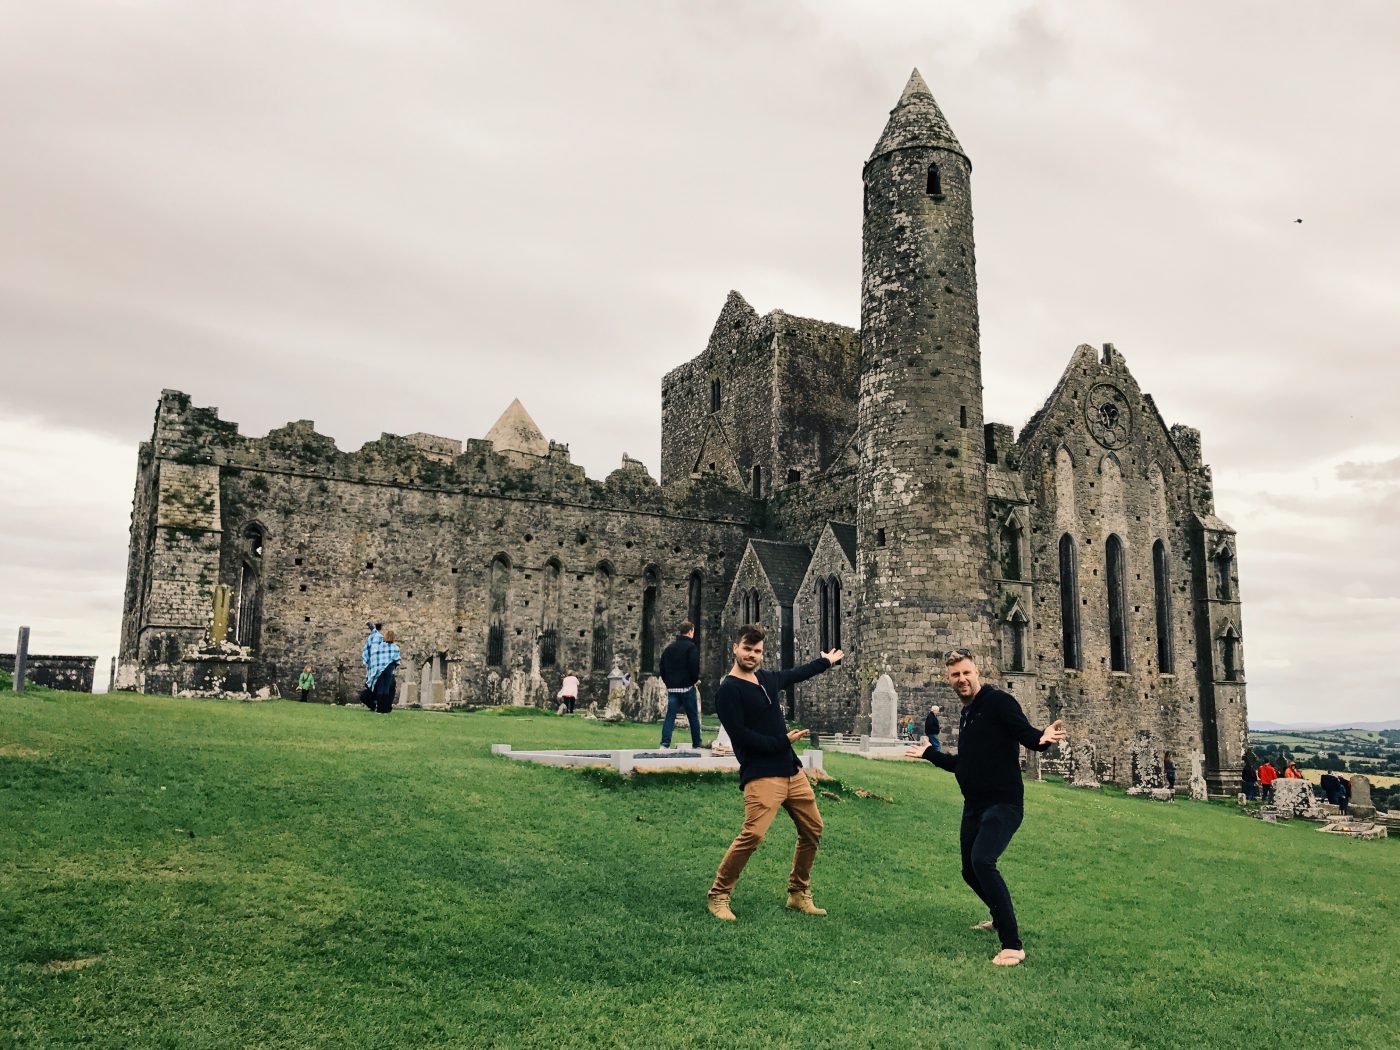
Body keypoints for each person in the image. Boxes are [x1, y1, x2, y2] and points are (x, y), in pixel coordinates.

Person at [904, 648, 1066, 967]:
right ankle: (998, 916)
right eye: (955, 675)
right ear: (949, 679)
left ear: (977, 672)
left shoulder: (998, 702)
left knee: (983, 860)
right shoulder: (968, 712)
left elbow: (1026, 734)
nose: (961, 679)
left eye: (966, 673)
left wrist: (1042, 738)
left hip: (1003, 804)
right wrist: (929, 754)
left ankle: (1012, 945)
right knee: (969, 870)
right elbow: (964, 764)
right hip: (974, 806)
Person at [707, 623, 844, 922]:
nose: (752, 655)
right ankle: (718, 895)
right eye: (747, 649)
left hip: (791, 772)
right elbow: (741, 737)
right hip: (762, 774)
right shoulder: (729, 691)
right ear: (735, 648)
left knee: (812, 829)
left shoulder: (766, 679)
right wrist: (783, 740)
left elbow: (795, 674)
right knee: (753, 834)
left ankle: (798, 893)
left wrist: (825, 662)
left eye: (757, 651)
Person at [659, 621, 702, 749]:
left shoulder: (669, 648)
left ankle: (664, 743)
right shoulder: (691, 647)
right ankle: (697, 744)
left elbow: (662, 667)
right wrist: (693, 681)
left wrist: (668, 683)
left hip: (673, 688)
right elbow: (694, 667)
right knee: (693, 716)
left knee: (670, 716)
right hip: (687, 688)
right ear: (690, 632)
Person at [360, 622, 400, 714]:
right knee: (386, 688)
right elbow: (396, 660)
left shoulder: (380, 646)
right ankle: (384, 709)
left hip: (379, 669)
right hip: (389, 669)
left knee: (381, 687)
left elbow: (374, 649)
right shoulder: (395, 647)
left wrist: (374, 630)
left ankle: (380, 708)